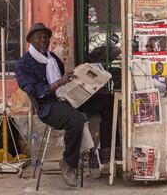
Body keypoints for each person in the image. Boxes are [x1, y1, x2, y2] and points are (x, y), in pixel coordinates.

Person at [15, 23, 114, 187]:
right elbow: (32, 89)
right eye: (39, 37)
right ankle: (68, 163)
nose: (43, 40)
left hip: (66, 97)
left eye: (46, 37)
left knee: (107, 101)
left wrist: (79, 82)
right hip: (47, 106)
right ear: (30, 40)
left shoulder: (52, 58)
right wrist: (57, 84)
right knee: (76, 120)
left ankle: (106, 152)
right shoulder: (23, 64)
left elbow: (63, 83)